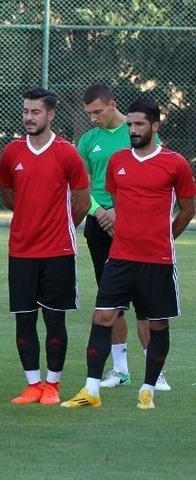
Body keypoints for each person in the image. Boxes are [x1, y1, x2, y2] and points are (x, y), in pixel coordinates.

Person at [61, 98, 195, 410]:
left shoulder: (175, 163)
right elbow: (119, 203)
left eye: (139, 125)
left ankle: (148, 388)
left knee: (157, 324)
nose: (133, 130)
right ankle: (91, 390)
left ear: (155, 127)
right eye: (131, 124)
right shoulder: (118, 161)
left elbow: (188, 209)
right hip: (120, 257)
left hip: (158, 260)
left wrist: (166, 237)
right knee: (102, 317)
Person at [0, 87, 90, 405]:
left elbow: (82, 201)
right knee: (24, 319)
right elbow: (8, 193)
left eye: (35, 112)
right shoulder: (12, 152)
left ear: (50, 114)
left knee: (54, 320)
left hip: (58, 251)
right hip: (20, 251)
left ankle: (53, 384)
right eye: (25, 111)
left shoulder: (66, 152)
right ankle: (32, 384)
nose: (29, 117)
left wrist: (58, 227)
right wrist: (28, 216)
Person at [76, 84, 169, 390]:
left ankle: (155, 371)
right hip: (98, 226)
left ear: (113, 104)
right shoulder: (88, 141)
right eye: (89, 113)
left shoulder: (134, 133)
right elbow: (79, 185)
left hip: (135, 228)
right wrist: (99, 211)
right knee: (110, 300)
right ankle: (119, 369)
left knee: (145, 303)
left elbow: (153, 175)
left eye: (98, 112)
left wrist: (117, 212)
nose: (93, 119)